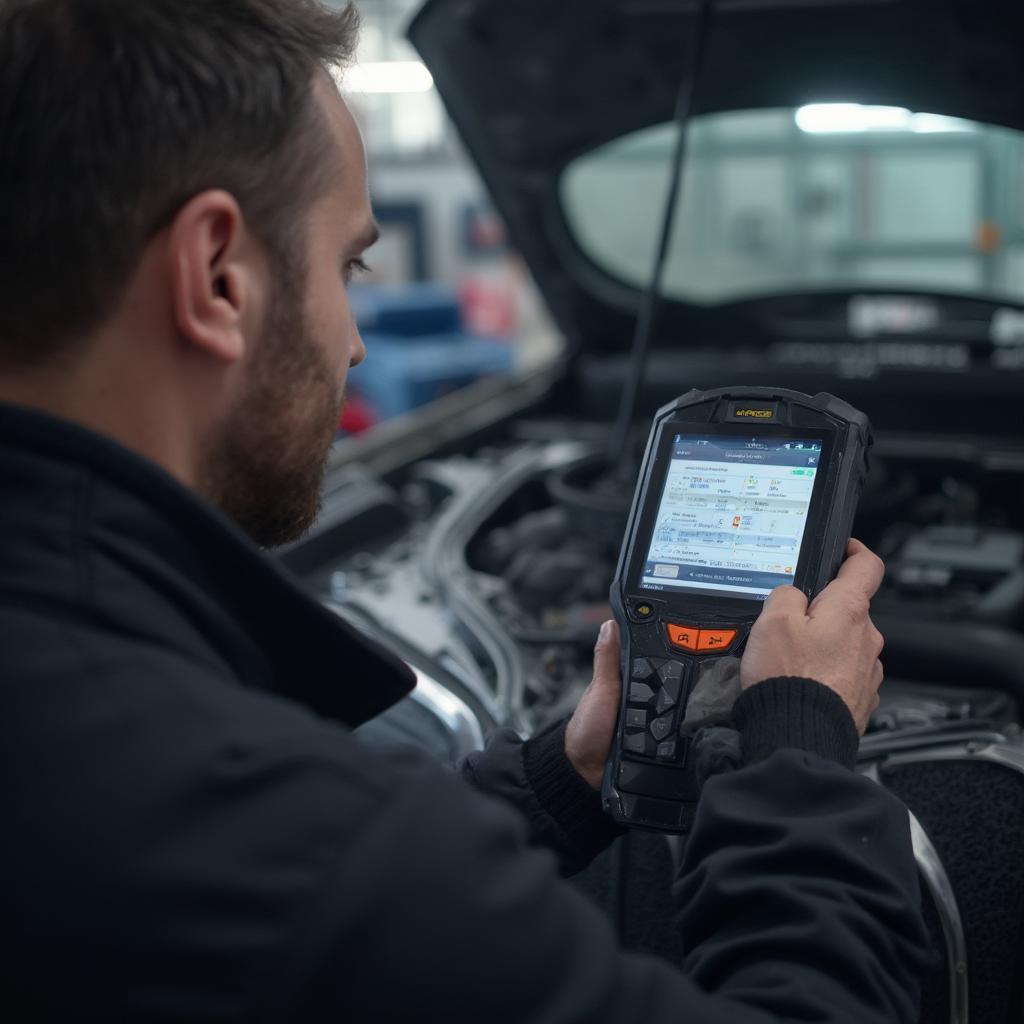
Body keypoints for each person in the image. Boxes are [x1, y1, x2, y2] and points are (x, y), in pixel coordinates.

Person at [0, 1, 928, 1020]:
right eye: (347, 266)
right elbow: (321, 877)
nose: (353, 343)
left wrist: (561, 778)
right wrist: (800, 757)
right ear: (218, 275)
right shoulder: (278, 844)